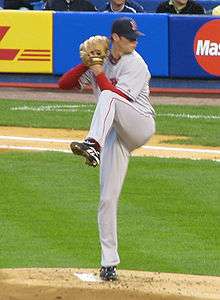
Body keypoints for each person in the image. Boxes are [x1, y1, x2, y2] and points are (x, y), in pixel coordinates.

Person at [59, 17, 155, 281]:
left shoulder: (136, 63)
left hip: (139, 124)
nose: (135, 41)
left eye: (135, 37)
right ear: (115, 38)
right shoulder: (101, 60)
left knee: (109, 95)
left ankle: (92, 144)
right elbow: (64, 85)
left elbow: (117, 95)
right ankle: (108, 263)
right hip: (114, 135)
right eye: (129, 37)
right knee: (106, 198)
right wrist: (86, 64)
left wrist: (99, 72)